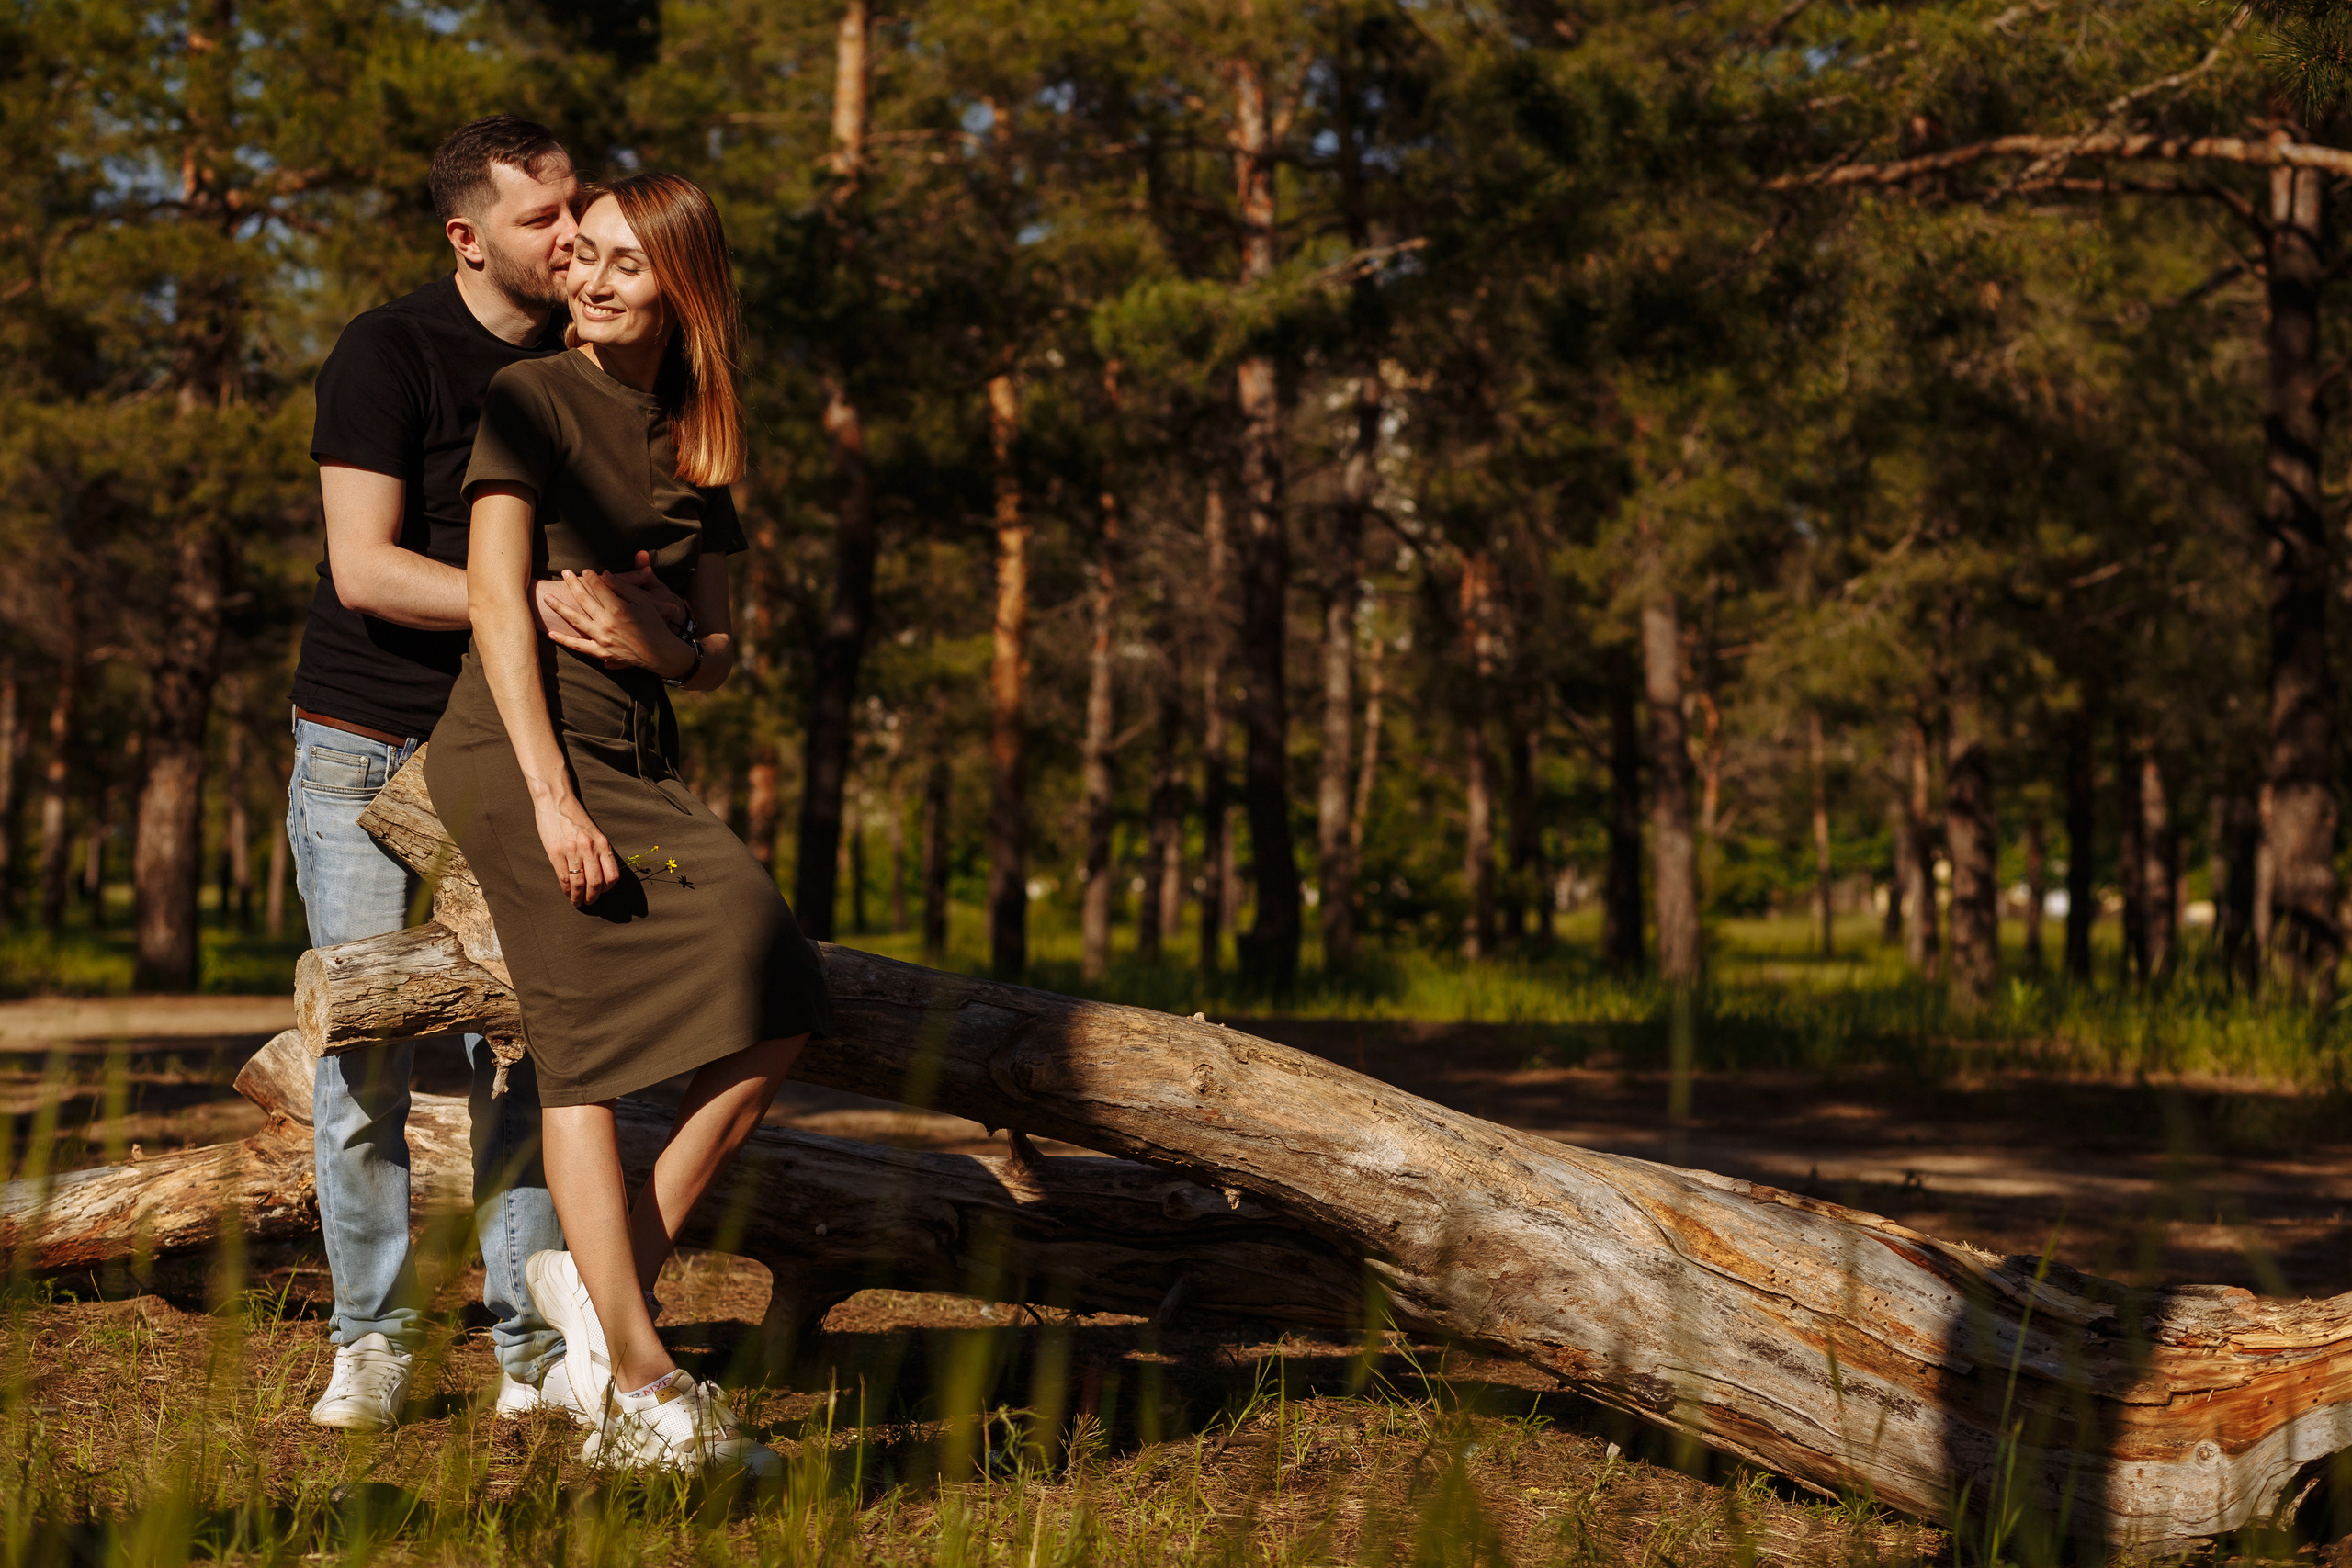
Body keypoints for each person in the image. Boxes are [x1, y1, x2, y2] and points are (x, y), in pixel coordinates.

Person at [425, 171, 829, 1476]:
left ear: (683, 288)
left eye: (623, 264)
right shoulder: (531, 398)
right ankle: (646, 1388)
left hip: (638, 759)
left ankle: (597, 1288)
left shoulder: (696, 441)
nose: (590, 279)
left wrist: (659, 646)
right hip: (518, 752)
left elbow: (717, 653)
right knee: (584, 1050)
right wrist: (547, 800)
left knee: (780, 982)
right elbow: (496, 603)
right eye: (582, 254)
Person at [290, 116, 684, 1433]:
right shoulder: (387, 352)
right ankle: (373, 1338)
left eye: (578, 206)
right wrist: (520, 605)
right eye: (541, 217)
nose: (574, 234)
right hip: (361, 746)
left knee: (528, 1051)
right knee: (362, 1065)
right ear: (466, 238)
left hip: (512, 749)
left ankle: (533, 1345)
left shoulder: (595, 366)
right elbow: (364, 568)